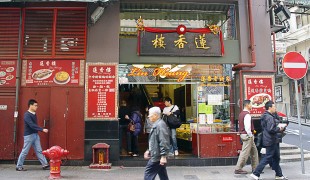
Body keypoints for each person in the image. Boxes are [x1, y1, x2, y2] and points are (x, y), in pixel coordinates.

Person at [251, 101, 288, 180]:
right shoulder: (269, 117)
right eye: (274, 107)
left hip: (271, 139)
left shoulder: (266, 116)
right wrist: (280, 128)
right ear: (270, 108)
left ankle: (279, 175)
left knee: (276, 158)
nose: (275, 108)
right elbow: (271, 129)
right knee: (267, 157)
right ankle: (256, 173)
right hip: (271, 140)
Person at [16, 99, 50, 171]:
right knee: (25, 151)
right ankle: (19, 166)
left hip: (35, 135)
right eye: (35, 105)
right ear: (30, 105)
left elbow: (34, 125)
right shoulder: (27, 115)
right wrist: (42, 129)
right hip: (29, 136)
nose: (37, 107)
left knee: (39, 150)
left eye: (37, 105)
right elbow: (31, 125)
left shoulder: (34, 114)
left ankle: (45, 164)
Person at [144, 107, 170, 180]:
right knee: (162, 174)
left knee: (148, 173)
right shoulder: (157, 124)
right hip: (157, 154)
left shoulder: (160, 125)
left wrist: (163, 156)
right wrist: (148, 150)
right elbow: (153, 140)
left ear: (155, 115)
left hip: (157, 156)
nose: (149, 117)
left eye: (150, 115)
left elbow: (164, 141)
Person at [234, 100, 258, 174]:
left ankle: (255, 168)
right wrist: (250, 135)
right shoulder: (247, 115)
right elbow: (247, 127)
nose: (251, 106)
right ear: (247, 105)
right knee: (245, 152)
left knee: (254, 151)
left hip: (244, 134)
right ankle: (238, 168)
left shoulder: (241, 114)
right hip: (247, 135)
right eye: (251, 104)